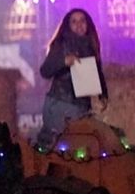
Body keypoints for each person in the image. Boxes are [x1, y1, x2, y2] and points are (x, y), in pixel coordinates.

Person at [36, 8, 108, 148]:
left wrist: (103, 95)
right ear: (68, 25)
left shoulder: (91, 45)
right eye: (74, 22)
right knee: (58, 148)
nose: (79, 25)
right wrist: (64, 61)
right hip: (60, 105)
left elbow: (97, 72)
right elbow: (45, 71)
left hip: (81, 107)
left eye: (82, 21)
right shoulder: (61, 45)